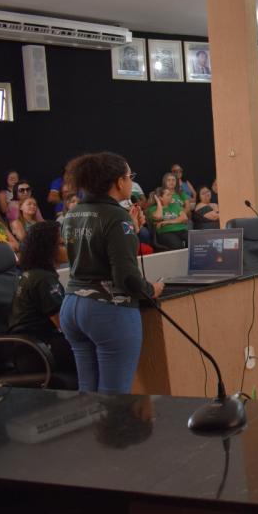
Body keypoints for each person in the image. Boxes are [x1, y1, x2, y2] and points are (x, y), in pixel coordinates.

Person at [59, 152, 163, 394]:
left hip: (73, 306)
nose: (130, 182)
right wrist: (151, 289)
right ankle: (114, 433)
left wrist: (130, 232)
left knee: (89, 391)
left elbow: (94, 251)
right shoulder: (117, 217)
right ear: (119, 182)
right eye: (130, 177)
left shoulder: (72, 214)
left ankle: (93, 433)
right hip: (107, 309)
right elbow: (126, 278)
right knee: (114, 395)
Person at [7, 221, 76, 378]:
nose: (68, 247)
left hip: (34, 347)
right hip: (36, 351)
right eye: (62, 244)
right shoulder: (43, 279)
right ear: (47, 249)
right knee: (95, 348)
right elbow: (65, 324)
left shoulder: (37, 274)